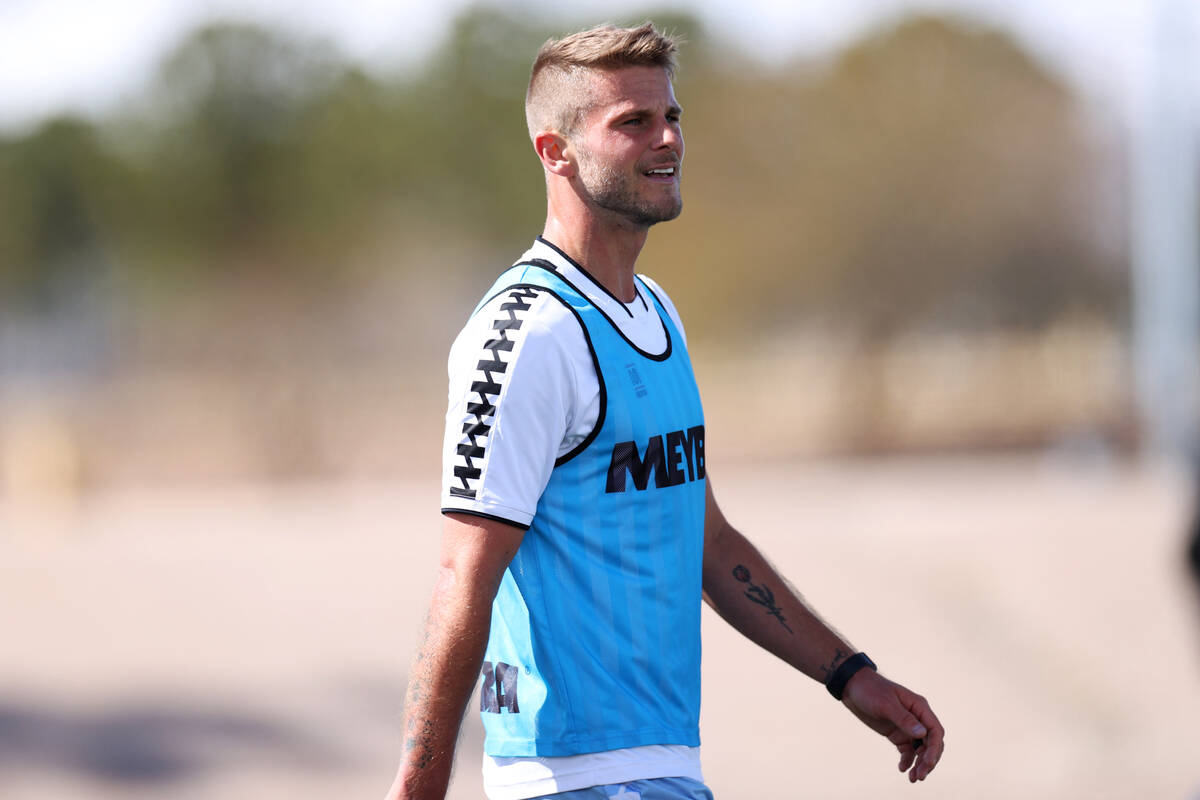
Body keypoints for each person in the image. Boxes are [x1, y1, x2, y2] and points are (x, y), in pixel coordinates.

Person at [385, 22, 945, 800]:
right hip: (571, 778)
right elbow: (463, 577)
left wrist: (851, 676)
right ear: (556, 151)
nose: (668, 139)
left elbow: (707, 540)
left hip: (663, 769)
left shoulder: (656, 312)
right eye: (633, 122)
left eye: (672, 116)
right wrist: (416, 792)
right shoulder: (530, 334)